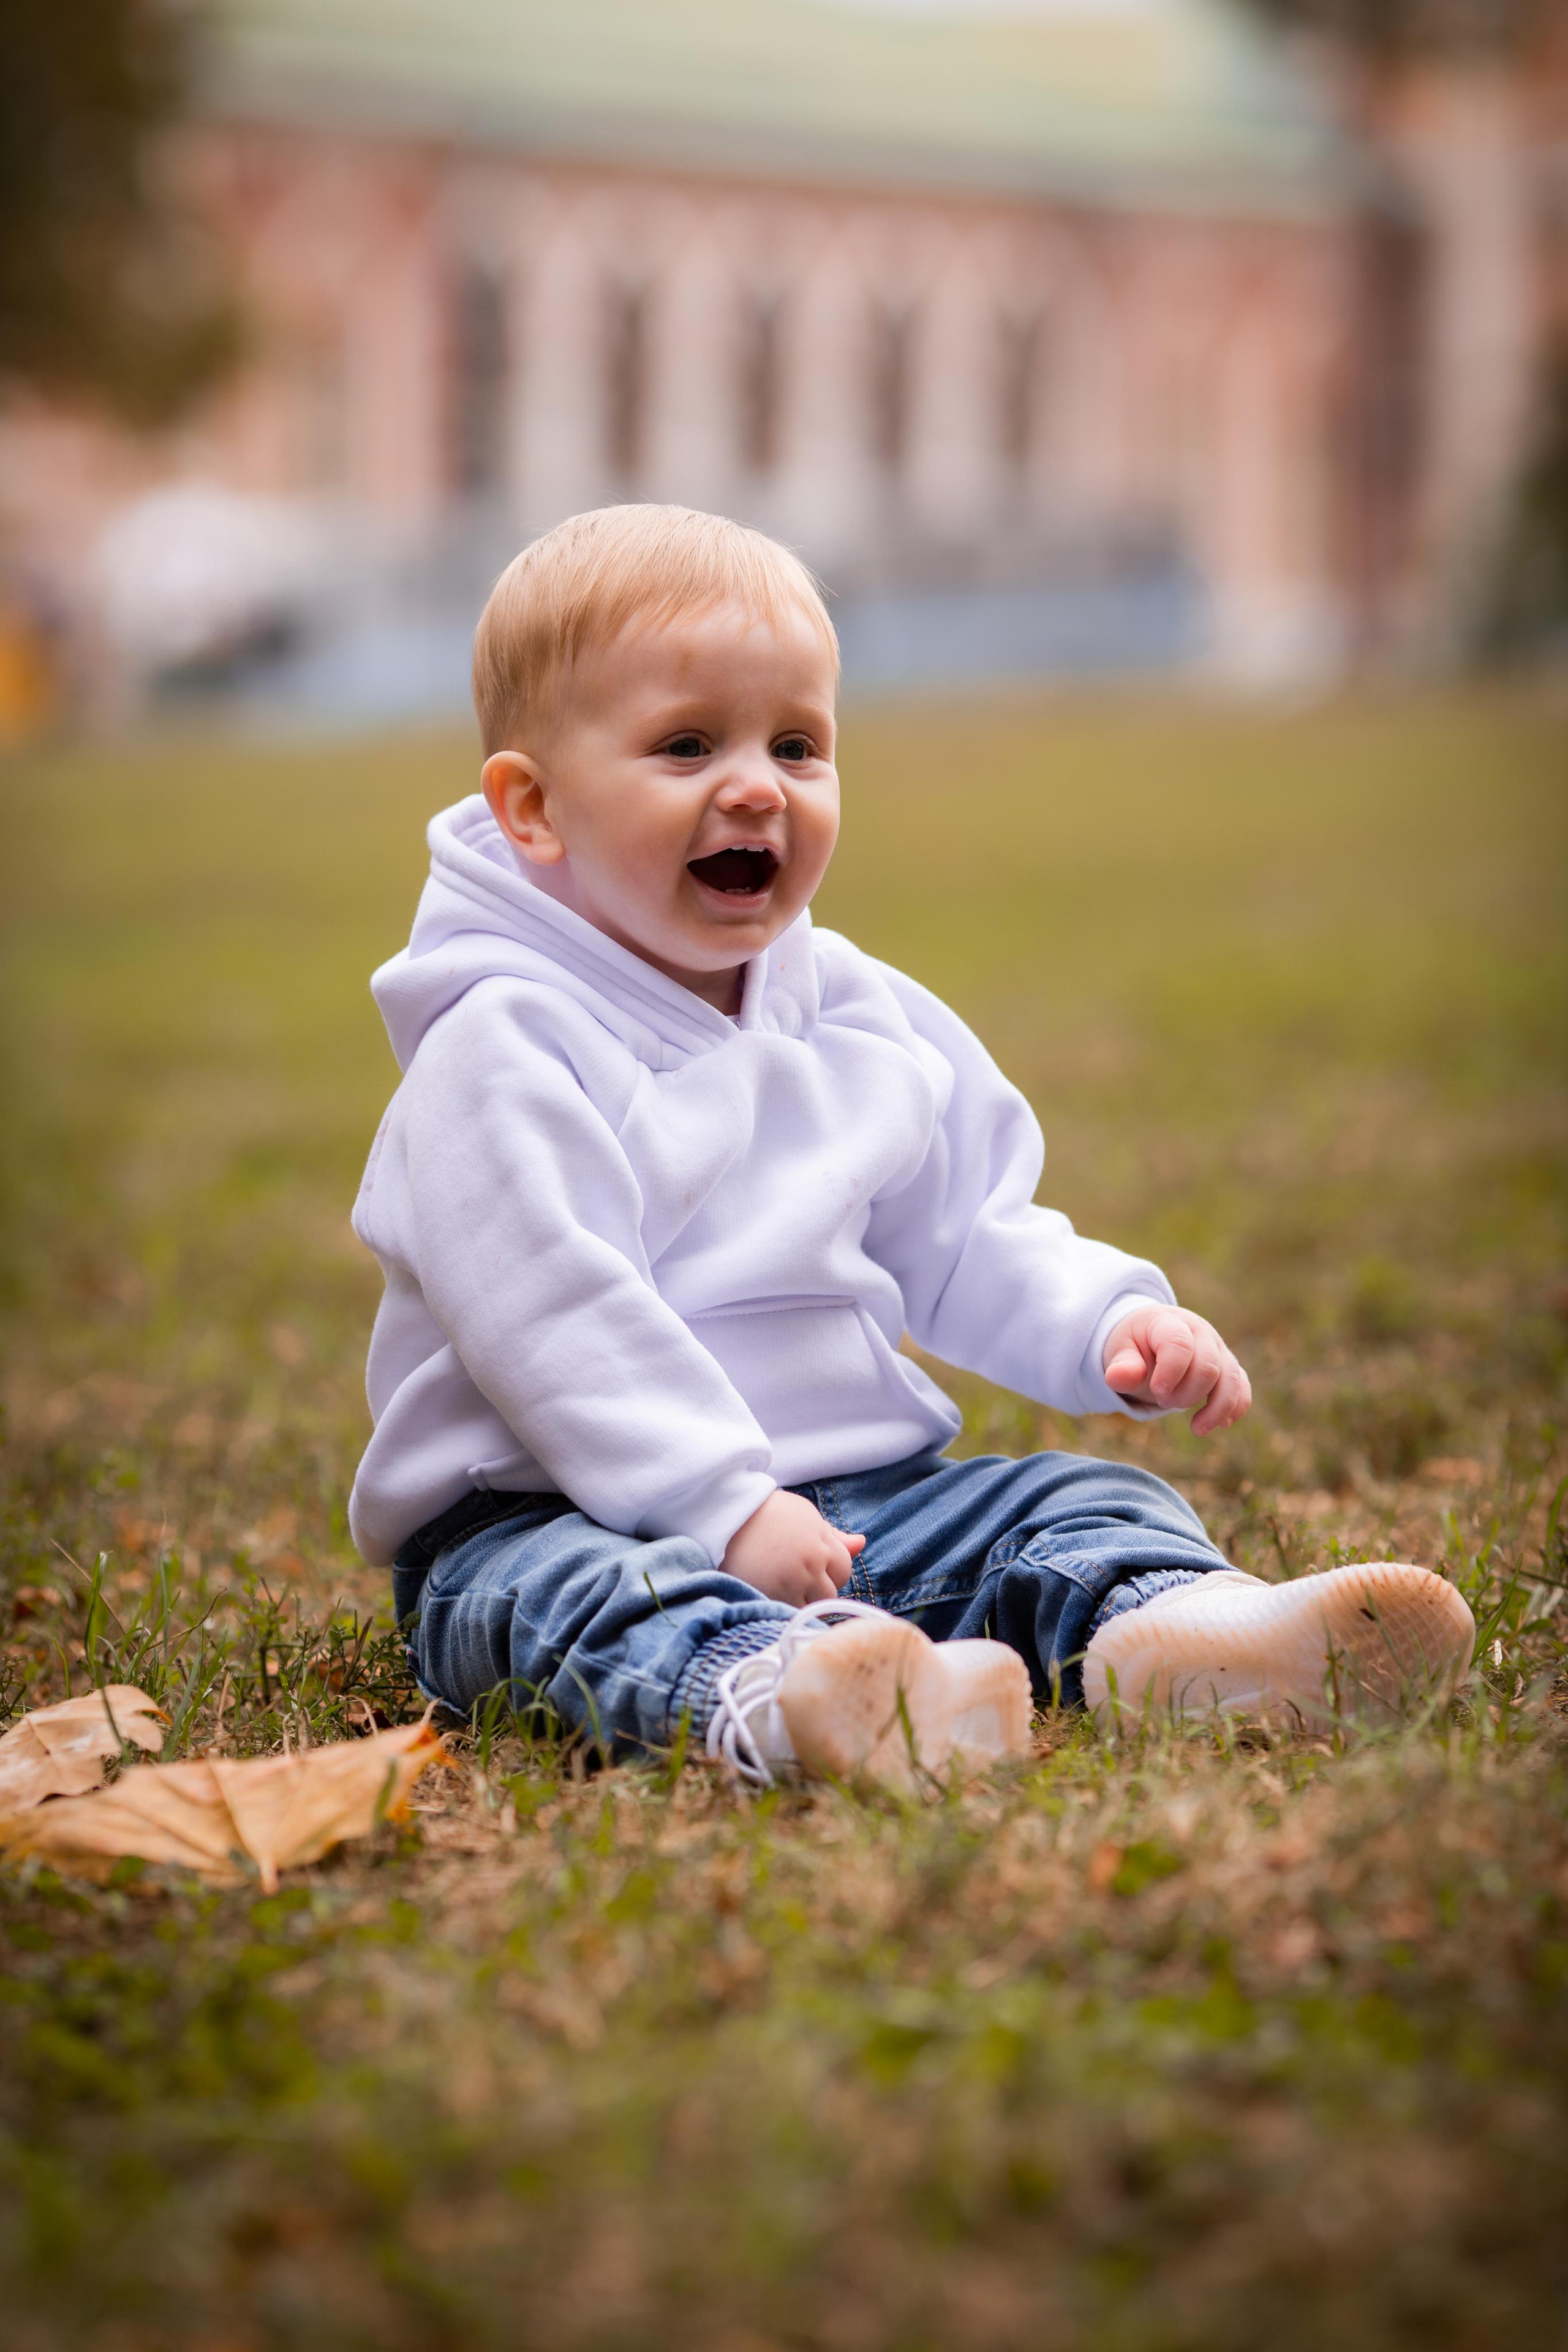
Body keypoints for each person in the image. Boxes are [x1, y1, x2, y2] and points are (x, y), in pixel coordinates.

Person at [350, 506, 1474, 1789]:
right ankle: (775, 1693)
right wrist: (722, 1506)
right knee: (568, 1603)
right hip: (549, 1510)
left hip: (850, 1509)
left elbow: (968, 1228)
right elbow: (552, 1315)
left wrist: (1106, 1319)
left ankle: (1177, 1633)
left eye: (796, 744)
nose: (757, 786)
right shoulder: (501, 1045)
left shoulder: (849, 1009)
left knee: (1070, 1503)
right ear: (534, 808)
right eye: (686, 745)